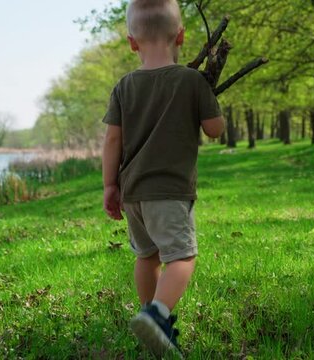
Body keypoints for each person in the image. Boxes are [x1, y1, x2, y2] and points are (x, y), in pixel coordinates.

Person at [101, 0, 225, 357]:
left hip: (134, 192)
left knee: (147, 256)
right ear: (181, 36)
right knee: (182, 257)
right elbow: (214, 130)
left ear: (132, 42)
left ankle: (156, 325)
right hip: (169, 191)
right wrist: (209, 96)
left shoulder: (124, 86)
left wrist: (110, 185)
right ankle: (157, 315)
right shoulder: (191, 81)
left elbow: (112, 140)